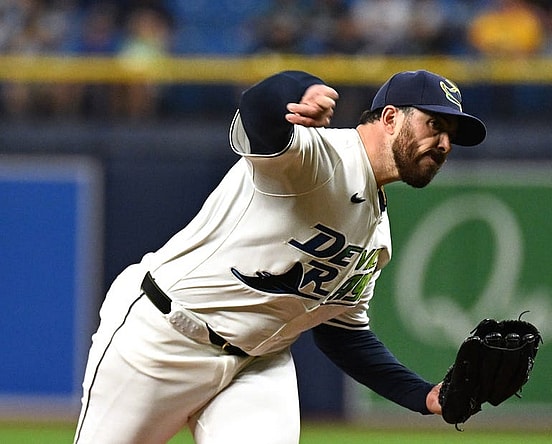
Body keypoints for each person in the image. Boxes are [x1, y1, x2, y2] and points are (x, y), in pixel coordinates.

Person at [73, 69, 487, 443]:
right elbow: (257, 111)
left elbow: (344, 334)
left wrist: (426, 396)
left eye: (452, 133)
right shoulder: (317, 158)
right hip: (164, 336)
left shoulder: (377, 236)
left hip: (256, 365)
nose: (445, 143)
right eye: (435, 124)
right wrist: (298, 87)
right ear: (391, 117)